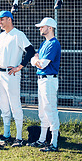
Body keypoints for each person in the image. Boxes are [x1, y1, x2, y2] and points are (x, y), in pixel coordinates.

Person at [0, 11, 35, 146]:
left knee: (15, 106)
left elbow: (31, 51)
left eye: (2, 19)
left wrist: (20, 66)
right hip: (0, 74)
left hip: (12, 75)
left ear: (9, 19)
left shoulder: (18, 34)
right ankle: (6, 135)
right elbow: (1, 55)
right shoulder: (1, 36)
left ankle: (19, 137)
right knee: (3, 106)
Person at [30, 17, 61, 152]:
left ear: (50, 28)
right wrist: (36, 60)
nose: (40, 28)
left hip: (49, 80)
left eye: (42, 27)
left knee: (50, 110)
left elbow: (42, 63)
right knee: (42, 111)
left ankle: (54, 142)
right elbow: (34, 59)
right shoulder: (45, 43)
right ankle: (42, 139)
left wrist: (36, 61)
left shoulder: (54, 43)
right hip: (42, 79)